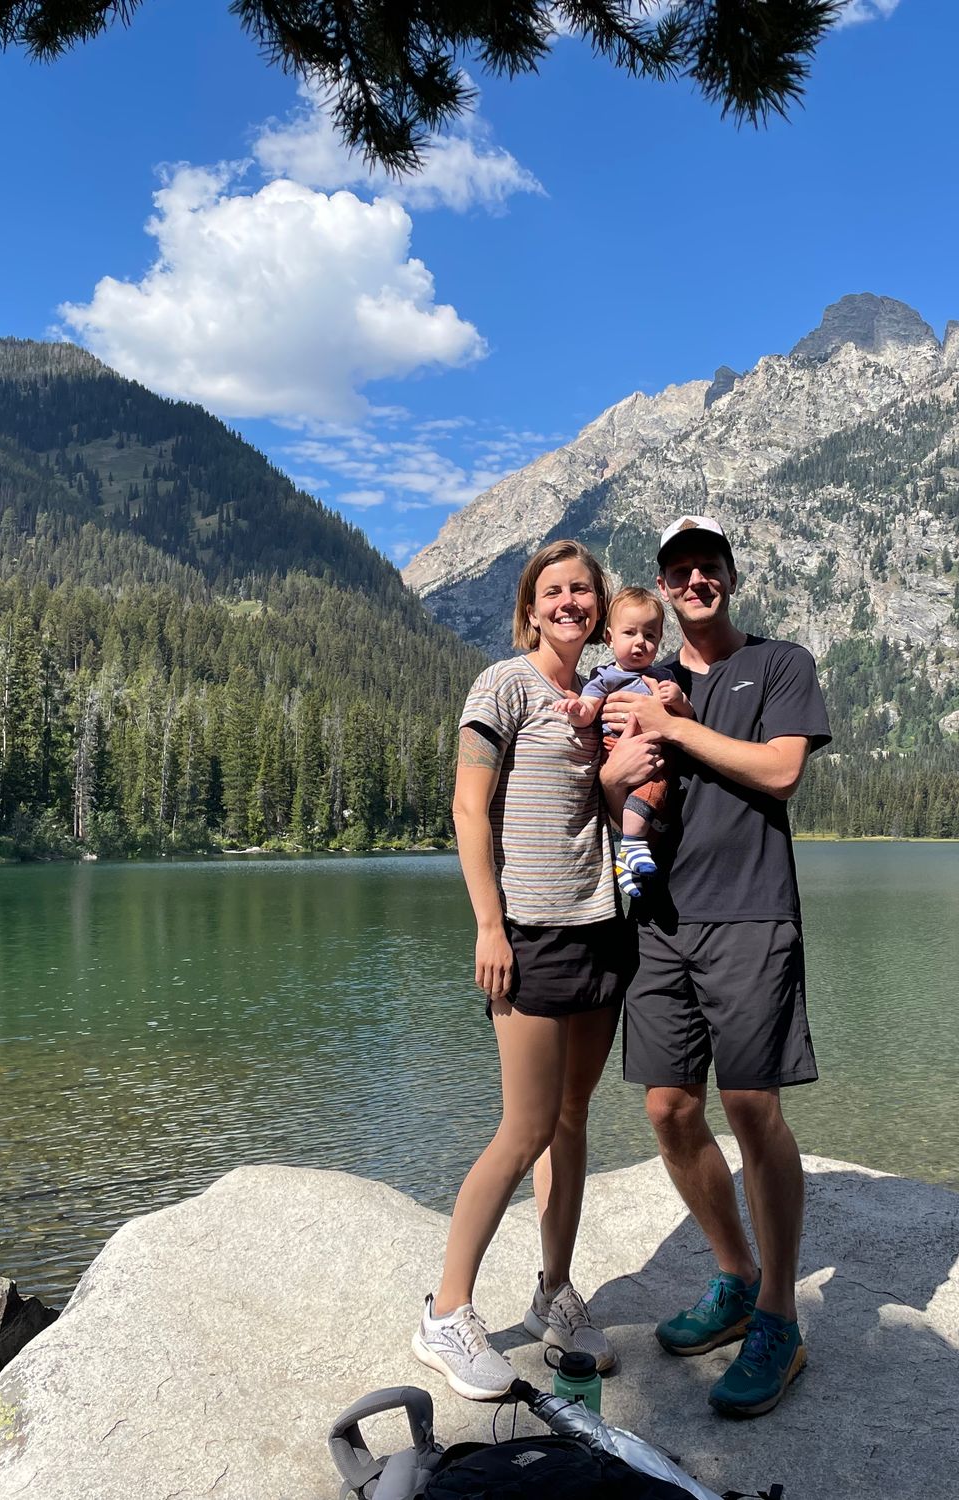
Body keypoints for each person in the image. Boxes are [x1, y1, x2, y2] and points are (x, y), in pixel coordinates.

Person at [600, 515, 831, 1420]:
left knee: (751, 1105)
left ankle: (780, 1318)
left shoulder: (778, 666)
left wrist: (674, 729)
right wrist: (623, 765)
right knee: (667, 1105)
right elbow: (612, 782)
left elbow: (778, 774)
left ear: (730, 577)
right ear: (662, 588)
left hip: (750, 915)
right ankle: (736, 1277)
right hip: (658, 918)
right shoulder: (643, 679)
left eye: (709, 566)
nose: (695, 580)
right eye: (679, 570)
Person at [413, 539, 643, 1402]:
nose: (571, 602)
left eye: (583, 590)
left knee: (573, 1119)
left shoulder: (597, 696)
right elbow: (469, 807)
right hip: (530, 934)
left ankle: (555, 1292)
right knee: (523, 1130)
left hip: (599, 931)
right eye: (554, 591)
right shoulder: (503, 686)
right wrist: (488, 924)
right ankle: (446, 1311)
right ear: (530, 606)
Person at [551, 586, 678, 900]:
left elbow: (684, 718)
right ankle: (632, 847)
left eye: (650, 636)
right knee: (647, 793)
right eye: (630, 633)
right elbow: (588, 711)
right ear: (609, 638)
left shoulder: (663, 677)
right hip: (613, 749)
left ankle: (629, 856)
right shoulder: (605, 678)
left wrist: (677, 699)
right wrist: (576, 709)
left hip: (653, 753)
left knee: (656, 791)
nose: (640, 642)